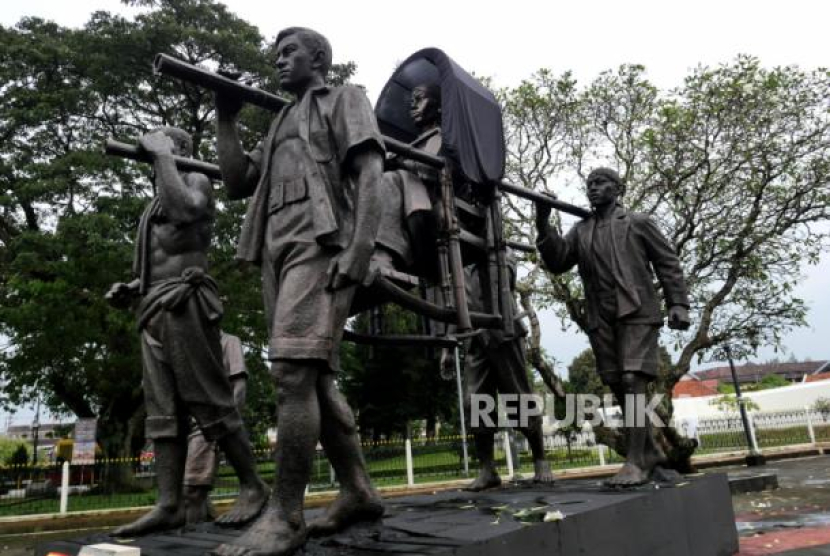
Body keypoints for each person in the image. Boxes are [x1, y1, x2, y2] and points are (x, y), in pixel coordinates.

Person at [212, 27, 384, 556]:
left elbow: (372, 171)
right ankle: (358, 490)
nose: (279, 62)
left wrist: (358, 250)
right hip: (276, 246)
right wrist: (226, 117)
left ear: (319, 58)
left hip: (320, 241)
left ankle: (285, 515)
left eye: (289, 53)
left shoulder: (345, 99)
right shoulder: (282, 119)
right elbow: (238, 180)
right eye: (275, 55)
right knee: (313, 376)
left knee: (290, 370)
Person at [105, 128, 267, 536]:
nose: (150, 151)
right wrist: (132, 288)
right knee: (162, 409)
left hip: (185, 303)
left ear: (179, 150)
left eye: (160, 145)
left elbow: (186, 214)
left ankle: (253, 484)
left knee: (207, 397)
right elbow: (154, 261)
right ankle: (169, 504)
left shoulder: (195, 181)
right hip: (152, 308)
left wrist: (162, 156)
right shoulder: (154, 200)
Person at [534, 167, 691, 486]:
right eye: (589, 184)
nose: (593, 189)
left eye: (601, 183)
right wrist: (542, 221)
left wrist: (678, 303)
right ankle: (651, 453)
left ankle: (635, 462)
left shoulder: (637, 222)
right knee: (619, 384)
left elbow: (667, 262)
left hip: (637, 310)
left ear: (618, 188)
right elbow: (558, 261)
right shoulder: (581, 229)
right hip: (601, 315)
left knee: (633, 378)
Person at [440, 259, 556, 491]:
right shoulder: (459, 265)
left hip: (505, 334)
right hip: (475, 340)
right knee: (473, 402)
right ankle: (487, 469)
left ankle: (540, 460)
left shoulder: (500, 253)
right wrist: (447, 347)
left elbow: (506, 281)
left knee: (519, 398)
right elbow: (454, 307)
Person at [183, 331, 250, 525]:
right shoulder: (186, 345)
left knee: (192, 490)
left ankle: (192, 541)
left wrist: (227, 425)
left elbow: (239, 387)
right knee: (187, 494)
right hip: (184, 425)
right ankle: (207, 531)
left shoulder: (229, 341)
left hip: (210, 424)